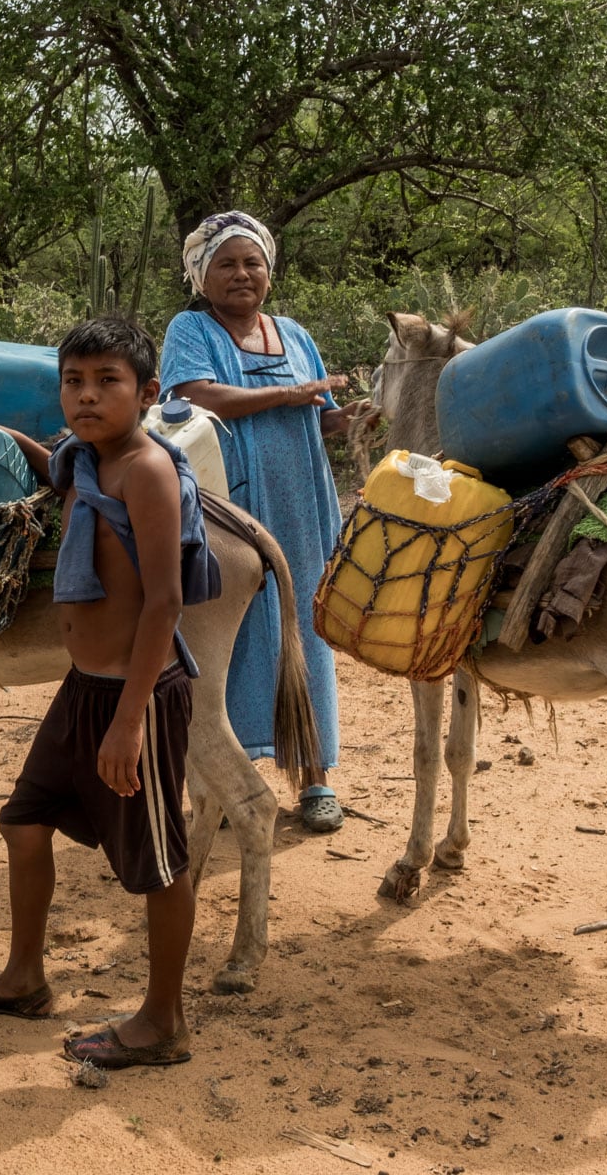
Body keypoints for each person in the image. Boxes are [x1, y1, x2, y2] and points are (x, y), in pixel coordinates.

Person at [0, 315, 218, 1070]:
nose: (87, 397)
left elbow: (164, 603)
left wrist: (129, 722)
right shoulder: (84, 460)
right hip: (83, 686)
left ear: (148, 393)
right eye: (73, 382)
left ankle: (164, 1021)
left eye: (107, 382)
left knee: (159, 861)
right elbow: (53, 468)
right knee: (24, 821)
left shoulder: (145, 471)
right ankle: (24, 978)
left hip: (136, 696)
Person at [160, 210, 359, 832]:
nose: (242, 274)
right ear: (202, 276)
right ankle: (230, 773)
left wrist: (343, 418)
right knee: (232, 631)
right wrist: (290, 396)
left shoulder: (295, 334)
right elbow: (191, 397)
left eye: (253, 263)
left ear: (269, 272)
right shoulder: (191, 328)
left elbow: (315, 415)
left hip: (301, 502)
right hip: (229, 505)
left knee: (305, 628)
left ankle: (314, 776)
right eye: (226, 264)